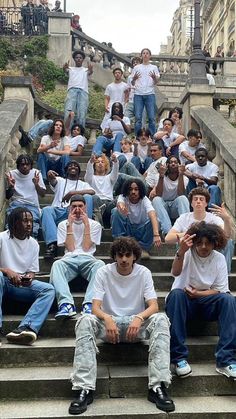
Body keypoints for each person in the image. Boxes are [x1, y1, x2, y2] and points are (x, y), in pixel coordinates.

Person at [69, 236, 175, 415]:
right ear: (115, 256)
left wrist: (139, 317)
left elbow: (154, 306)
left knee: (161, 319)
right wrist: (107, 318)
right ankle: (84, 388)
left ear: (135, 256)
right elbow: (95, 307)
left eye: (128, 255)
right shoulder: (103, 272)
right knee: (85, 320)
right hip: (110, 327)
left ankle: (158, 387)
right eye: (120, 255)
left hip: (136, 326)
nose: (124, 259)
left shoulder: (143, 273)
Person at [165, 222, 236, 379]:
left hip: (206, 302)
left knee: (229, 300)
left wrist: (198, 294)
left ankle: (226, 360)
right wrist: (181, 252)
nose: (204, 246)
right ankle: (178, 359)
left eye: (208, 243)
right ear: (194, 243)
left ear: (215, 242)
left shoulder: (219, 259)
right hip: (183, 303)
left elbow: (219, 290)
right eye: (200, 243)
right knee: (176, 295)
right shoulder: (187, 253)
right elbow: (175, 272)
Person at [0, 208, 55, 346]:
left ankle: (26, 328)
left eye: (31, 221)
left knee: (48, 289)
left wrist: (29, 277)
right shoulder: (1, 238)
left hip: (20, 284)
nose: (29, 224)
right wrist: (7, 271)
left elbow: (32, 271)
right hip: (3, 280)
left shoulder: (34, 244)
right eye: (25, 221)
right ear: (15, 222)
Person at [50, 195, 104, 318]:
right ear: (69, 208)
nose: (77, 209)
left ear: (85, 207)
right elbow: (71, 248)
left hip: (88, 260)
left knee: (100, 265)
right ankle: (66, 305)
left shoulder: (94, 225)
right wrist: (70, 224)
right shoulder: (63, 224)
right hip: (69, 259)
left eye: (80, 206)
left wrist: (86, 225)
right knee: (56, 264)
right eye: (74, 206)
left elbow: (86, 248)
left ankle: (89, 304)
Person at [165, 187, 234, 273]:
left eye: (201, 199)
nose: (198, 201)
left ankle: (224, 274)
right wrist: (192, 232)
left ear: (206, 203)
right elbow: (168, 239)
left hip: (209, 249)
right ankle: (184, 274)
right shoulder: (184, 218)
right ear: (191, 203)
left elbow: (226, 236)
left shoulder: (214, 218)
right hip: (190, 250)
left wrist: (227, 219)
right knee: (182, 241)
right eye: (195, 199)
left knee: (229, 242)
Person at [41, 160, 95, 258]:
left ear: (79, 171)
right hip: (60, 210)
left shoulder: (83, 184)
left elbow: (92, 192)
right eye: (70, 165)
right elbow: (52, 180)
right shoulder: (60, 180)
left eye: (75, 165)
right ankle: (52, 245)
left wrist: (71, 193)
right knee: (46, 210)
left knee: (88, 197)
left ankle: (88, 225)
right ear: (66, 170)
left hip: (77, 211)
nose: (73, 167)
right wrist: (49, 174)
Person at [111, 178, 161, 258]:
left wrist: (156, 235)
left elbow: (152, 213)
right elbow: (120, 203)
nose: (133, 192)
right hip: (128, 229)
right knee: (115, 211)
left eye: (136, 189)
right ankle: (119, 246)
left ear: (140, 190)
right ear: (127, 190)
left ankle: (142, 249)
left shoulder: (144, 200)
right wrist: (122, 207)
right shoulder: (122, 197)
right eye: (130, 189)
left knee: (156, 220)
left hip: (141, 230)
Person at [5, 154, 46, 238]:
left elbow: (42, 194)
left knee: (32, 224)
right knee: (12, 222)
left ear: (31, 166)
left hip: (32, 205)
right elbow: (8, 196)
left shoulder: (36, 173)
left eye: (27, 164)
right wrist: (11, 186)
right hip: (16, 204)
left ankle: (32, 242)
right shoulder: (11, 174)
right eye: (22, 164)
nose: (25, 166)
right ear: (18, 165)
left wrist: (36, 184)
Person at [150, 156, 190, 237]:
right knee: (156, 199)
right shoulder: (158, 176)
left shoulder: (184, 178)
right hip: (163, 207)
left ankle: (186, 231)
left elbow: (180, 193)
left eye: (175, 162)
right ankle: (168, 232)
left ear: (179, 165)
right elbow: (159, 194)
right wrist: (161, 176)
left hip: (175, 207)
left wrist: (181, 174)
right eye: (171, 162)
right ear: (167, 165)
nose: (173, 164)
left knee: (183, 198)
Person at [131, 48, 160, 136]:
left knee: (151, 117)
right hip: (138, 94)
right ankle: (137, 136)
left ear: (150, 55)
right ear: (141, 55)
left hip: (150, 93)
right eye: (143, 53)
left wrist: (154, 78)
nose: (145, 55)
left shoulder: (154, 67)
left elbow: (156, 82)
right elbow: (132, 83)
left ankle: (152, 137)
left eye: (147, 53)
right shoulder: (136, 68)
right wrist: (134, 79)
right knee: (138, 118)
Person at [85, 153, 119, 227]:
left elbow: (115, 173)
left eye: (102, 162)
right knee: (94, 197)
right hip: (97, 203)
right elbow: (88, 173)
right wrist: (90, 162)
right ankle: (100, 225)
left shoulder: (110, 178)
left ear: (106, 165)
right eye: (98, 162)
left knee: (120, 198)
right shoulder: (91, 178)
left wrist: (115, 162)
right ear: (94, 165)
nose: (100, 163)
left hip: (109, 203)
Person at [63, 50, 93, 129]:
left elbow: (90, 72)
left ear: (83, 59)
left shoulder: (85, 70)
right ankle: (67, 132)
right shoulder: (70, 69)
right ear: (74, 59)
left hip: (83, 92)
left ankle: (80, 134)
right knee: (68, 112)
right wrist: (64, 67)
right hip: (72, 91)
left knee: (82, 113)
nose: (78, 59)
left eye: (80, 58)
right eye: (77, 57)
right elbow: (65, 70)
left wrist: (91, 69)